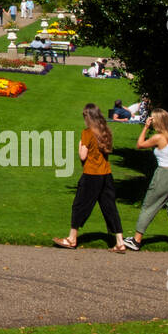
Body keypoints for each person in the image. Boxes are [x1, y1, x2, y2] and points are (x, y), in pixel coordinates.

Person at [53, 103, 126, 252]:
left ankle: (72, 238)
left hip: (91, 175)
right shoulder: (105, 131)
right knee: (110, 208)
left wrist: (80, 144)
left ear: (88, 117)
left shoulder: (87, 133)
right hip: (106, 174)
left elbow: (83, 155)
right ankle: (120, 241)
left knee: (79, 205)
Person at [125, 110, 168, 254]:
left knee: (148, 206)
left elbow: (140, 144)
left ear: (158, 121)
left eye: (153, 118)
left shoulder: (158, 138)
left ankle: (136, 240)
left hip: (163, 174)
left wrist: (145, 127)